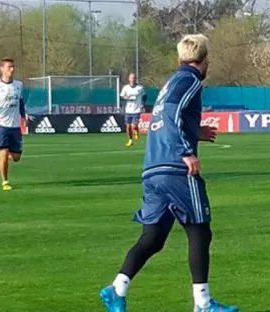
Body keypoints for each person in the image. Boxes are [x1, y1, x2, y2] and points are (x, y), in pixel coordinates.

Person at [99, 35, 239, 312]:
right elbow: (173, 114)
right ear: (206, 59)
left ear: (179, 58)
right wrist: (186, 150)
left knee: (153, 237)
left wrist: (194, 131)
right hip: (175, 169)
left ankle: (116, 289)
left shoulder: (171, 82)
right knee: (200, 231)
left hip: (153, 168)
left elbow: (160, 117)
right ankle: (203, 304)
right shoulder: (190, 80)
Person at [0, 58, 26, 191]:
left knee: (16, 157)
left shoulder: (18, 85)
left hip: (15, 126)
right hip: (0, 125)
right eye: (9, 67)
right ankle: (5, 181)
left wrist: (23, 117)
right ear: (2, 69)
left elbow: (20, 102)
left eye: (13, 67)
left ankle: (4, 156)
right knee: (3, 151)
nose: (11, 69)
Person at [120, 73, 146, 147]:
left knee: (133, 126)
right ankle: (130, 140)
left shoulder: (140, 88)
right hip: (128, 110)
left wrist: (143, 104)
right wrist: (126, 98)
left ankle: (136, 131)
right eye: (131, 78)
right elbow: (121, 97)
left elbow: (144, 96)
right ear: (129, 79)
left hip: (136, 110)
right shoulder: (125, 87)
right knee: (128, 127)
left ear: (136, 79)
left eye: (134, 78)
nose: (132, 79)